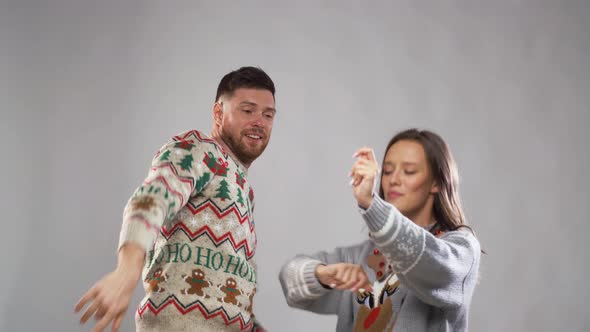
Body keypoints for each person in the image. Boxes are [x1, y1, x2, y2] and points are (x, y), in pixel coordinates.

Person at [75, 66, 276, 332]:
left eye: (268, 114)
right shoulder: (198, 150)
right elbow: (150, 200)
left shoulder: (243, 189)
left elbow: (234, 295)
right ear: (218, 113)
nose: (259, 122)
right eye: (247, 110)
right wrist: (127, 270)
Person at [279, 129, 481, 332]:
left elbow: (425, 261)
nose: (393, 180)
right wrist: (322, 274)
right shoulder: (362, 256)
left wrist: (371, 204)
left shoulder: (460, 249)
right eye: (387, 171)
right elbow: (289, 278)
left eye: (409, 171)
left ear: (436, 182)